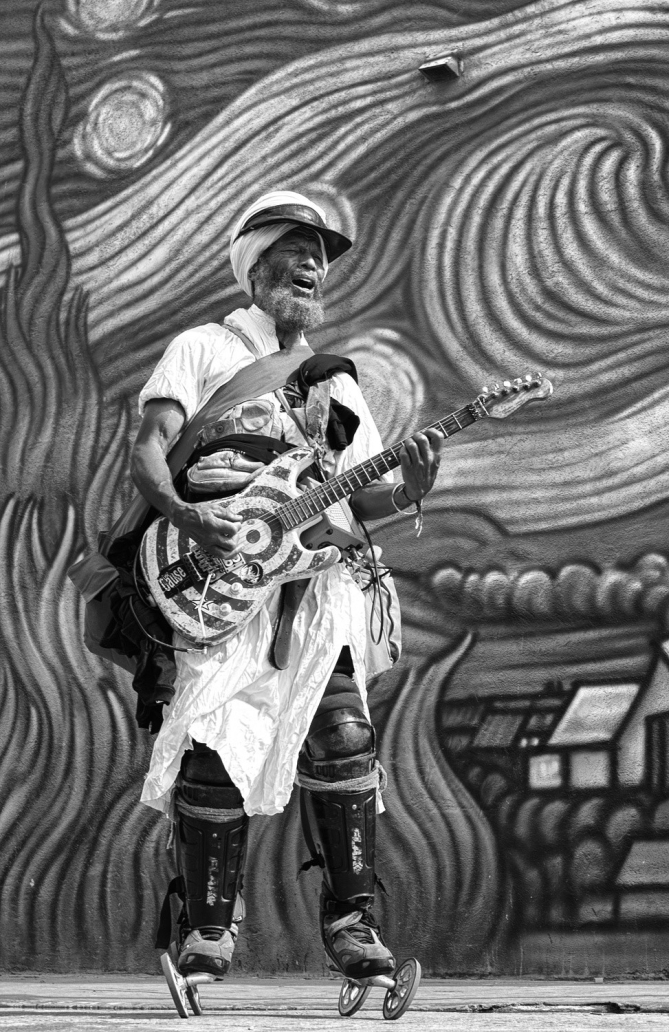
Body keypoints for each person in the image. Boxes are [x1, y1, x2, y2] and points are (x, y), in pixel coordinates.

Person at [129, 189, 442, 982]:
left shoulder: (334, 382)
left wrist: (408, 489)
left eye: (319, 263)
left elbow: (359, 497)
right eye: (294, 254)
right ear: (254, 264)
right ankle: (205, 933)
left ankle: (353, 927)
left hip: (315, 589)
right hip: (225, 583)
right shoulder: (200, 349)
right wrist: (185, 518)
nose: (310, 268)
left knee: (341, 740)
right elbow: (150, 448)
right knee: (211, 752)